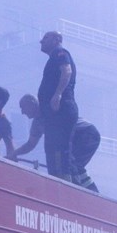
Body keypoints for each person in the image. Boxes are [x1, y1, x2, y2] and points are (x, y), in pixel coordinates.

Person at [8, 94, 100, 192]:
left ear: (32, 102)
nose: (22, 112)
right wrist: (14, 154)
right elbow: (30, 144)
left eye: (23, 107)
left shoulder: (49, 108)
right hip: (75, 137)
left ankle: (86, 192)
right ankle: (84, 191)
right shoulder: (37, 124)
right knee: (70, 165)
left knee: (70, 164)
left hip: (85, 133)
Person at [36, 30, 78, 180]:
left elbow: (66, 71)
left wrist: (58, 94)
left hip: (60, 109)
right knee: (53, 149)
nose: (41, 41)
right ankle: (59, 180)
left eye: (46, 38)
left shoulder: (60, 52)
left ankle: (63, 183)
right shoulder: (53, 57)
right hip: (55, 112)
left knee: (59, 149)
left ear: (56, 39)